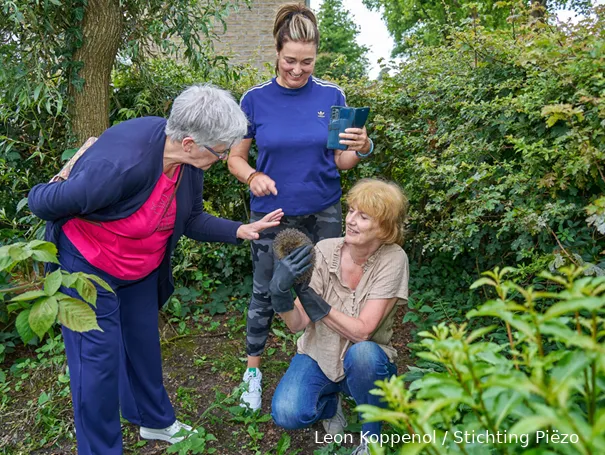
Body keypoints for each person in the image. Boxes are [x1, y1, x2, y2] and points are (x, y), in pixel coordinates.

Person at [27, 84, 283, 455]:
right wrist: (63, 176)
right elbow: (41, 201)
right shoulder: (118, 167)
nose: (225, 156)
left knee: (144, 347)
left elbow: (191, 217)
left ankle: (153, 421)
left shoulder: (188, 161)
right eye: (221, 151)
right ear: (191, 142)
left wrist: (239, 230)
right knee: (97, 366)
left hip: (140, 269)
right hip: (88, 267)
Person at [227, 2, 375, 411]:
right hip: (270, 215)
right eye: (290, 60)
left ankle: (327, 371)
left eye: (306, 62)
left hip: (324, 211)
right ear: (276, 52)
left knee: (328, 292)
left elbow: (340, 161)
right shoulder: (254, 99)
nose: (297, 69)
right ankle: (253, 374)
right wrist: (253, 175)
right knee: (263, 291)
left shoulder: (332, 96)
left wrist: (361, 148)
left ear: (317, 57)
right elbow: (235, 158)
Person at [269, 179, 409, 455]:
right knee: (287, 413)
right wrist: (280, 294)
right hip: (320, 354)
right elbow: (298, 324)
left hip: (364, 360)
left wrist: (312, 300)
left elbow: (362, 332)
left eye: (364, 216)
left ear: (385, 228)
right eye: (351, 211)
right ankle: (331, 403)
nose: (352, 221)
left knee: (364, 354)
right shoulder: (325, 250)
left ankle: (371, 439)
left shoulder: (394, 259)